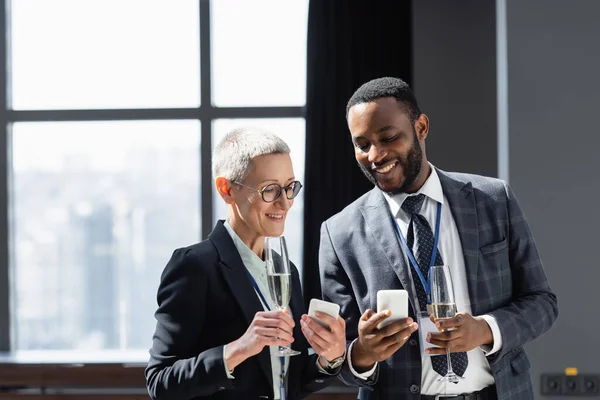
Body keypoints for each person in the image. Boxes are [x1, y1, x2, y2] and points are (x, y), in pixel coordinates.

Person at [319, 77, 558, 400]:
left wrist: (486, 330)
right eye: (362, 145)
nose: (375, 155)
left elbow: (542, 303)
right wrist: (362, 352)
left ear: (421, 127)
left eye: (388, 137)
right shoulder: (339, 233)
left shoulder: (493, 199)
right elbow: (338, 360)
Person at [146, 127, 347, 400]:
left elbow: (292, 380)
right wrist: (238, 349)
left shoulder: (286, 270)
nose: (285, 203)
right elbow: (160, 382)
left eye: (290, 188)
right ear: (226, 189)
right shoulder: (194, 266)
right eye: (269, 190)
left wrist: (329, 358)